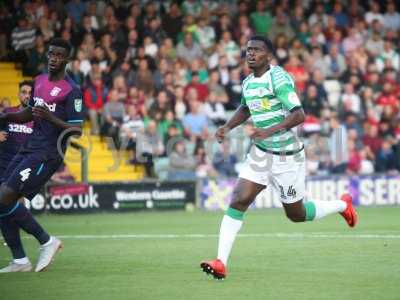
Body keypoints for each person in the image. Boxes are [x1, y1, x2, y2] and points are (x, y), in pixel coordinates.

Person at [200, 36, 358, 280]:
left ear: (269, 56)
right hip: (261, 154)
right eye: (248, 50)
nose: (251, 54)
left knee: (296, 214)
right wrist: (227, 127)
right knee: (239, 199)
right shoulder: (248, 83)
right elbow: (245, 108)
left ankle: (342, 205)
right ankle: (220, 262)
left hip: (287, 157)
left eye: (257, 50)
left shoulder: (279, 79)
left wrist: (270, 130)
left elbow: (299, 114)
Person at [0, 38, 85, 272]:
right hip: (29, 146)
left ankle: (48, 242)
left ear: (67, 59)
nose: (53, 59)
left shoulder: (72, 90)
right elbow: (30, 112)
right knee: (1, 199)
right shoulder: (39, 81)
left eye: (59, 55)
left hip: (47, 153)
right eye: (51, 54)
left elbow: (77, 129)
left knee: (4, 195)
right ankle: (20, 260)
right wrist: (6, 117)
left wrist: (50, 117)